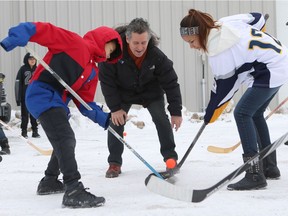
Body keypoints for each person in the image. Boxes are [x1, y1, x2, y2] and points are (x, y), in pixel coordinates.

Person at [1, 22, 122, 208]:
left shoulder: (92, 72)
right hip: (41, 93)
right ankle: (73, 189)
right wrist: (18, 35)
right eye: (110, 47)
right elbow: (44, 31)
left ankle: (49, 181)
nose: (109, 54)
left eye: (112, 53)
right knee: (65, 139)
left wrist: (104, 119)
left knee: (64, 140)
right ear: (102, 39)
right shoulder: (73, 42)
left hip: (57, 103)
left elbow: (85, 103)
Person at [179, 10, 288, 190]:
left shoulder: (219, 53)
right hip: (281, 59)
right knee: (255, 113)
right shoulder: (226, 22)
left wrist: (210, 115)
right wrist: (260, 39)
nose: (192, 47)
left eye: (192, 42)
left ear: (202, 33)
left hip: (271, 70)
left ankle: (254, 174)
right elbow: (258, 18)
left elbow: (224, 91)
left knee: (242, 113)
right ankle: (269, 166)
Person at [99, 18, 183, 178]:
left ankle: (170, 158)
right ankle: (114, 163)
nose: (140, 47)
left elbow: (171, 83)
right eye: (136, 43)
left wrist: (176, 112)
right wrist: (116, 108)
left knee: (160, 118)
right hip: (123, 92)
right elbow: (106, 81)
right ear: (127, 39)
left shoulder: (156, 56)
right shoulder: (113, 53)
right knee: (116, 121)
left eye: (143, 43)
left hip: (150, 92)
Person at [15, 52, 40, 138]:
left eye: (34, 59)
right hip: (25, 96)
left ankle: (35, 131)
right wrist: (18, 98)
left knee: (34, 113)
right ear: (27, 60)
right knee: (25, 114)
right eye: (30, 59)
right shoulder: (22, 69)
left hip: (34, 96)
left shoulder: (38, 69)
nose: (32, 61)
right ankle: (24, 131)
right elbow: (18, 84)